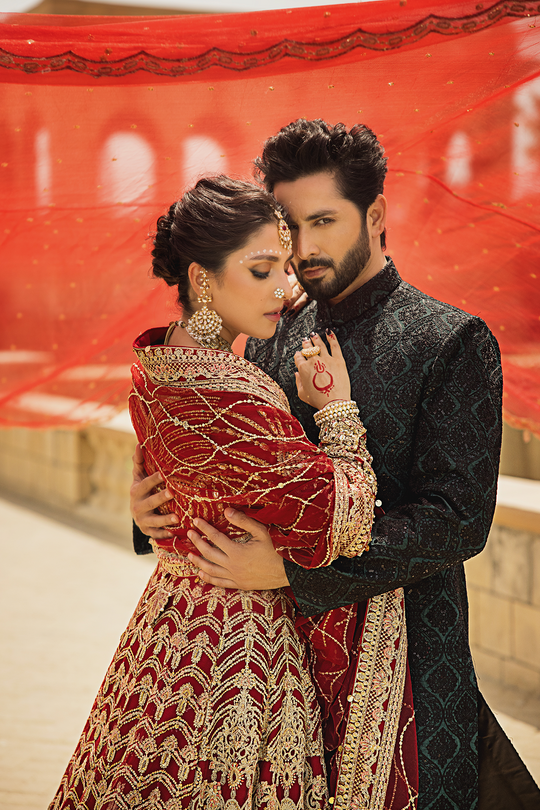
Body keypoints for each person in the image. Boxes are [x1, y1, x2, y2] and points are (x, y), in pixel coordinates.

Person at [132, 121, 540, 809]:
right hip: (269, 679)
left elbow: (457, 521)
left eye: (323, 221)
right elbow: (227, 452)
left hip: (404, 673)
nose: (304, 248)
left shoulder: (450, 341)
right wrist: (150, 509)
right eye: (289, 226)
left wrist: (295, 572)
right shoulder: (272, 324)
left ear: (375, 215)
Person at [51, 176, 418, 810]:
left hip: (168, 631)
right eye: (261, 270)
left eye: (285, 267)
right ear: (202, 279)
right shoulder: (228, 396)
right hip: (241, 656)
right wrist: (336, 411)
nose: (284, 288)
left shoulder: (160, 365)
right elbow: (341, 516)